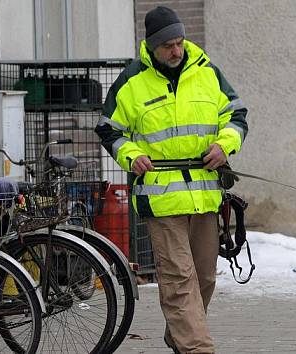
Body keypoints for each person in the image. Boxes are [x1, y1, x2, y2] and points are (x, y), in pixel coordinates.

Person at [95, 6, 248, 353]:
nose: (176, 51)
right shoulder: (132, 81)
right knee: (179, 279)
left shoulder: (207, 72)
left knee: (204, 279)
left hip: (205, 194)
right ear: (151, 46)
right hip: (160, 196)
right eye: (168, 46)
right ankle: (197, 348)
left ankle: (179, 333)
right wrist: (131, 156)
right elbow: (109, 129)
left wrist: (225, 146)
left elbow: (236, 116)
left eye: (179, 43)